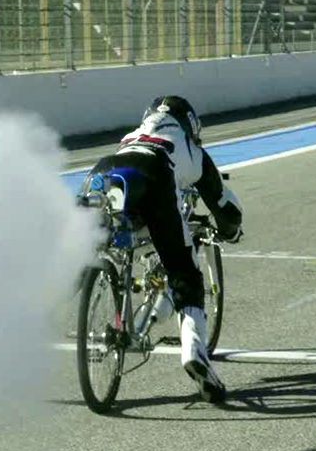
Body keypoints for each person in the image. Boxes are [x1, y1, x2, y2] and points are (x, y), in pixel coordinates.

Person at [81, 96, 243, 403]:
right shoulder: (190, 148)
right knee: (185, 272)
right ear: (191, 125)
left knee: (82, 250)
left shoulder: (131, 136)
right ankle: (194, 352)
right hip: (154, 175)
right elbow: (222, 203)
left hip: (105, 171)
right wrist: (231, 231)